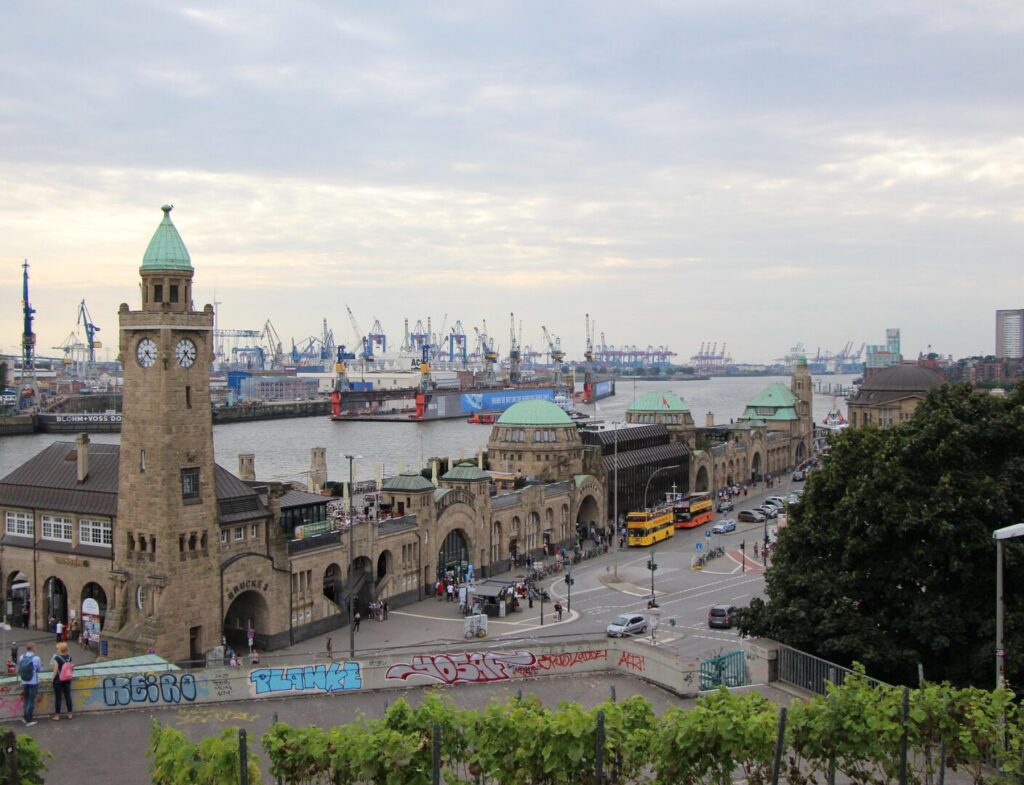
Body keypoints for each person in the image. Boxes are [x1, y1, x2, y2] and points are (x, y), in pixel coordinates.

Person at [18, 643, 41, 726]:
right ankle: (29, 720)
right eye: (35, 646)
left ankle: (25, 718)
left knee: (26, 699)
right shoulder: (36, 658)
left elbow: (20, 668)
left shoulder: (21, 657)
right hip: (33, 682)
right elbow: (39, 669)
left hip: (24, 681)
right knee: (31, 700)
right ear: (33, 648)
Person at [50, 641, 73, 720]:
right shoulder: (69, 657)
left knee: (58, 698)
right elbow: (71, 668)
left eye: (57, 648)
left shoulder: (57, 658)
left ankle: (57, 715)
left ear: (60, 649)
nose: (56, 650)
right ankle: (70, 714)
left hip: (58, 680)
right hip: (67, 679)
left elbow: (55, 670)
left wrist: (52, 679)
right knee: (68, 696)